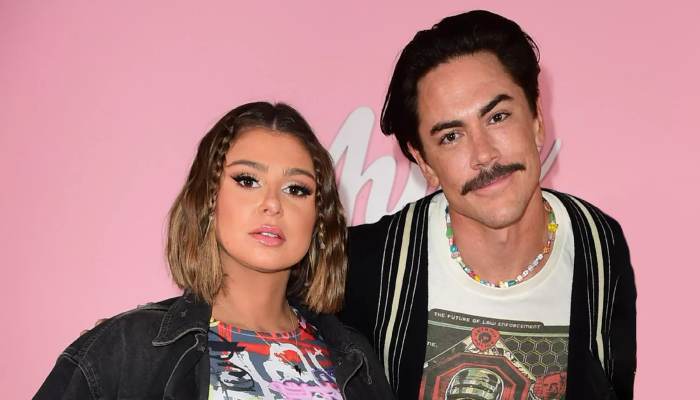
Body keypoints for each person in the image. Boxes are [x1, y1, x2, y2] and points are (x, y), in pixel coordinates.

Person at [339, 10, 636, 400]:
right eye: (451, 136)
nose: (484, 154)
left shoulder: (598, 245)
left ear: (536, 119)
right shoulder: (365, 265)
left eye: (498, 117)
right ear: (424, 161)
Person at [35, 102, 394, 399]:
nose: (272, 204)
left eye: (296, 189)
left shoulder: (356, 360)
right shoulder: (129, 349)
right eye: (247, 180)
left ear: (319, 217)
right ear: (208, 199)